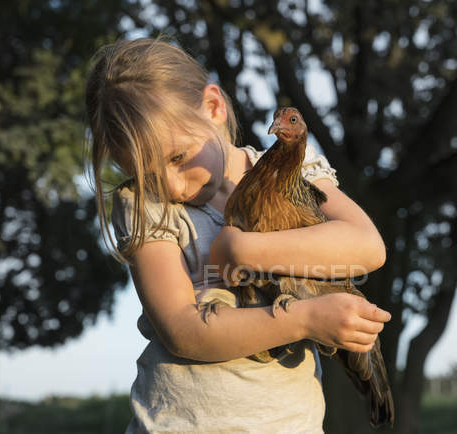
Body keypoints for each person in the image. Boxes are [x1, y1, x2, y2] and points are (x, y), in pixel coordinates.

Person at [85, 36, 391, 433]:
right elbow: (185, 331)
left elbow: (367, 246)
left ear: (213, 107)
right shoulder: (145, 205)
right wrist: (304, 319)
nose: (173, 187)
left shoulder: (289, 170)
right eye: (147, 174)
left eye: (177, 157)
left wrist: (245, 247)